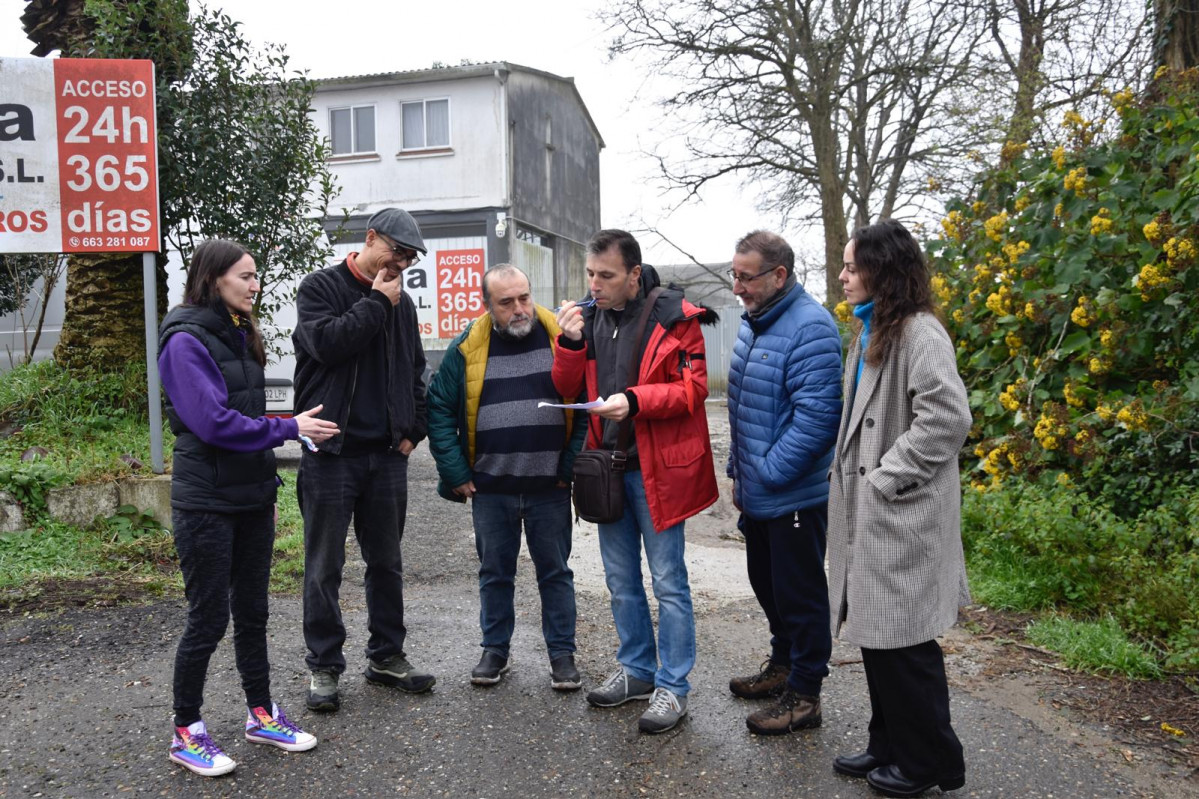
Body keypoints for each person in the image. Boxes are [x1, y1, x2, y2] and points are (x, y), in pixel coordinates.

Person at [159, 239, 339, 777]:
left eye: (256, 276)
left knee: (254, 615)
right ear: (214, 279)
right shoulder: (186, 341)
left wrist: (288, 434)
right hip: (205, 505)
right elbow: (211, 422)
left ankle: (261, 714)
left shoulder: (239, 335)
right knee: (208, 618)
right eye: (245, 276)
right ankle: (186, 731)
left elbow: (245, 416)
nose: (255, 285)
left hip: (252, 498)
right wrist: (289, 428)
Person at [553, 228, 719, 734]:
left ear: (633, 273)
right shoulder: (589, 317)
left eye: (606, 275)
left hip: (657, 471)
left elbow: (693, 390)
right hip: (607, 469)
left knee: (669, 582)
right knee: (621, 581)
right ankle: (637, 672)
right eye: (590, 274)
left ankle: (673, 686)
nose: (595, 284)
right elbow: (562, 386)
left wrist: (636, 399)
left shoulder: (676, 318)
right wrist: (569, 342)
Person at [827, 219, 972, 797]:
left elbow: (948, 418)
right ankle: (889, 743)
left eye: (851, 266)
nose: (841, 277)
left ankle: (933, 762)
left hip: (900, 513)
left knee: (906, 645)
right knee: (878, 637)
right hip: (876, 516)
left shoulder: (919, 334)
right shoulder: (873, 330)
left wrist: (887, 477)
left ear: (883, 270)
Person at [293, 207, 433, 713]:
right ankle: (325, 668)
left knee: (387, 564)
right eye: (396, 252)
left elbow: (416, 371)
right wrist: (376, 302)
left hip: (385, 456)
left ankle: (387, 656)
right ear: (370, 238)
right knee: (324, 566)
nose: (401, 264)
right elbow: (328, 345)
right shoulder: (319, 289)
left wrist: (411, 431)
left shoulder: (404, 304)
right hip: (330, 454)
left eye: (409, 259)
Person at [426, 264, 588, 689]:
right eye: (506, 302)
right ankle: (495, 651)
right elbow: (439, 407)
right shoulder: (468, 346)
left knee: (555, 572)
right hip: (491, 489)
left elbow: (589, 406)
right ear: (487, 306)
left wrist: (568, 469)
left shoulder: (561, 337)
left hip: (548, 487)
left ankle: (562, 655)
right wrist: (456, 471)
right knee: (495, 573)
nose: (519, 309)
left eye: (524, 298)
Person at [725, 231, 842, 735]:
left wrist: (768, 472)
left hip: (792, 494)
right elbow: (744, 408)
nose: (737, 287)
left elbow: (817, 420)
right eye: (734, 275)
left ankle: (805, 695)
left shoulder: (811, 327)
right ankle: (783, 665)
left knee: (800, 596)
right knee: (768, 587)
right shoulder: (756, 322)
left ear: (779, 275)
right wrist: (739, 471)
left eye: (746, 277)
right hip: (759, 494)